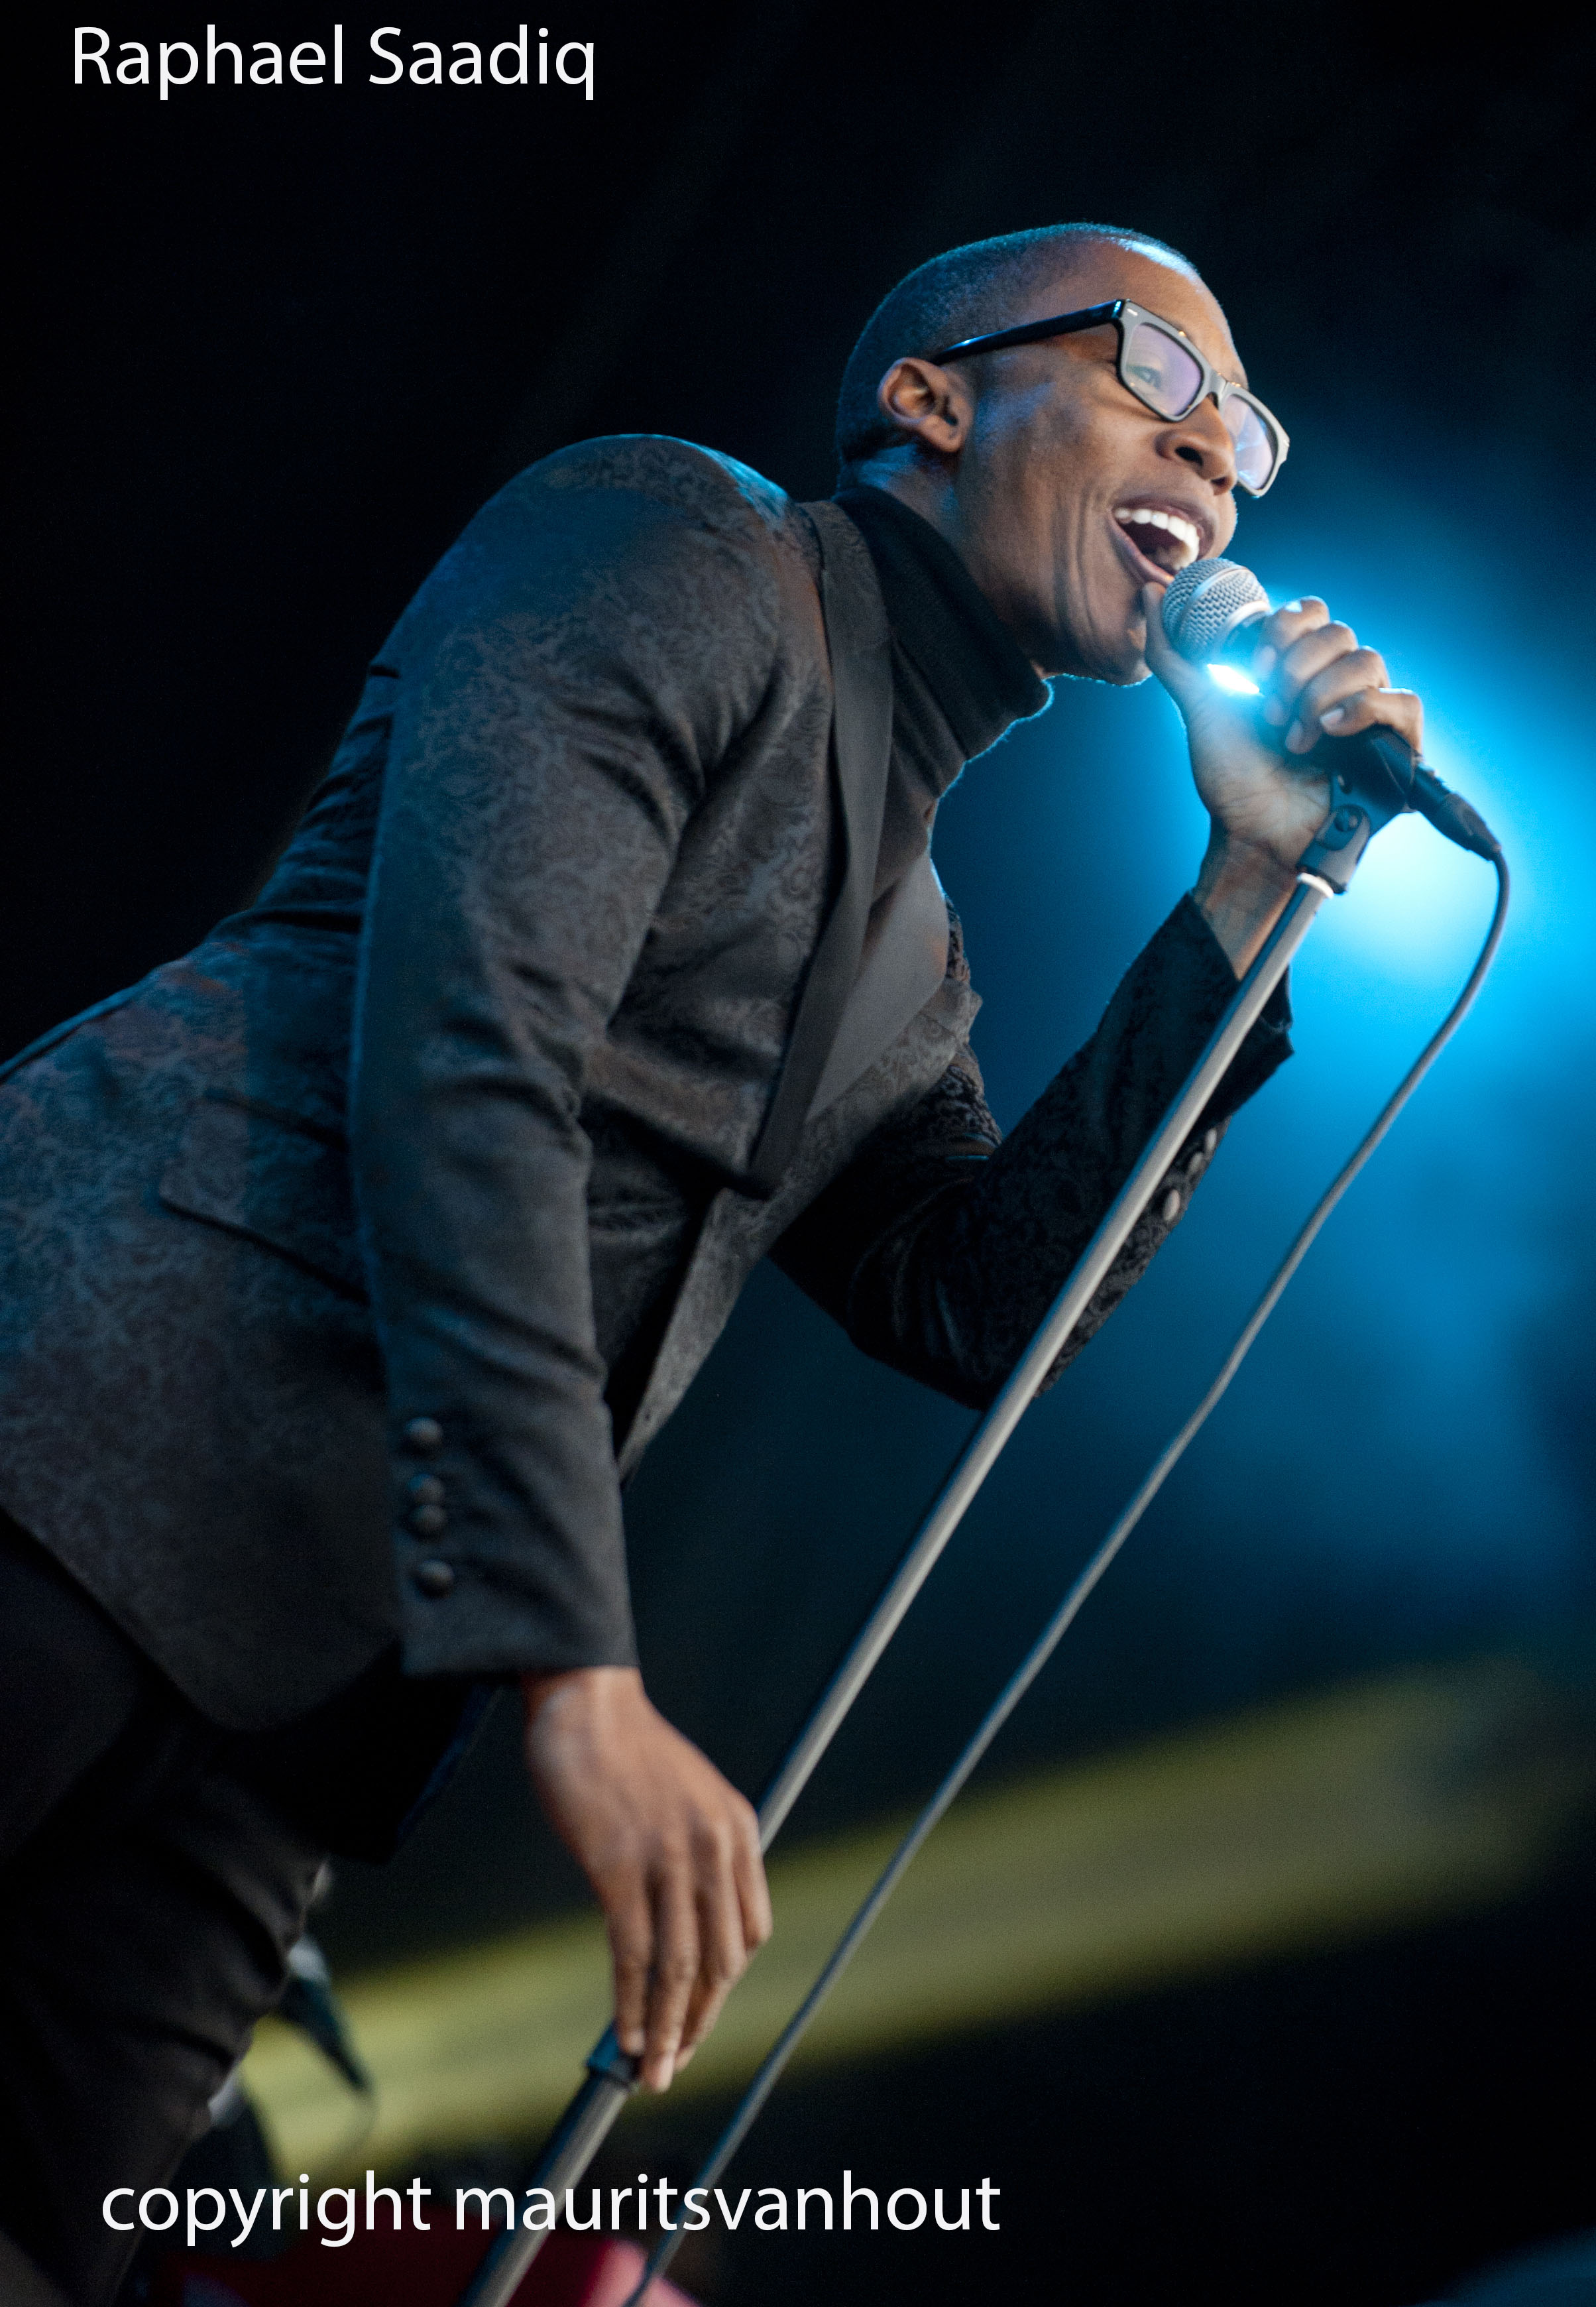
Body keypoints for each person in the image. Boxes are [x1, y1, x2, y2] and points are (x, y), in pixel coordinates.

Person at [0, 219, 1422, 2305]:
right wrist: (573, 1667)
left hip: (292, 1687)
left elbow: (982, 1306)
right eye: (1164, 381)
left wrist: (1243, 888)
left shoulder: (911, 954)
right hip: (67, 1430)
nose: (1217, 472)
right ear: (931, 399)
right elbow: (472, 1057)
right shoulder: (666, 540)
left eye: (1252, 447)